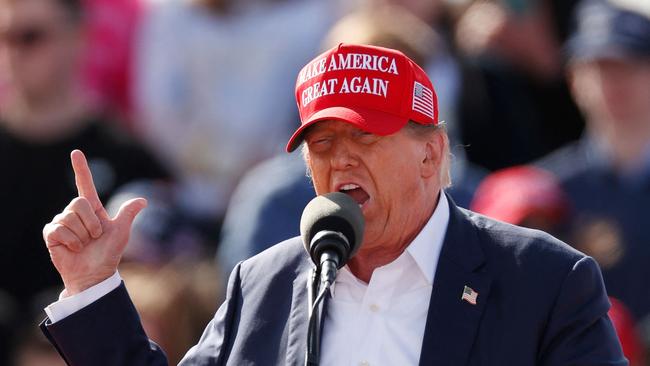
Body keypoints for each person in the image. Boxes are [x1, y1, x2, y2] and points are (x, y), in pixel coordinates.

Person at [39, 44, 625, 365]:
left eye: (365, 138)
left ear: (431, 155)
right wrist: (93, 287)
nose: (341, 162)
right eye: (322, 144)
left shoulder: (545, 282)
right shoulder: (264, 284)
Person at [0, 0, 169, 361]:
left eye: (30, 37)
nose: (11, 52)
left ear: (78, 38)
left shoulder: (128, 156)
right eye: (2, 37)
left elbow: (159, 283)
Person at [537, 0, 650, 335]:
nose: (614, 83)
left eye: (629, 65)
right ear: (573, 78)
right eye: (599, 67)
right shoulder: (545, 190)